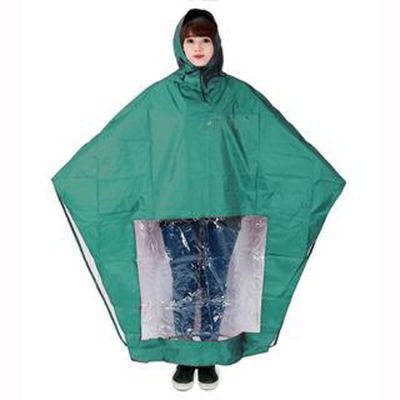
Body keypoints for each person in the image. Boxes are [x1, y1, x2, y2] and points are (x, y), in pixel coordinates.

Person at [158, 11, 238, 391]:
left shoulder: (235, 94)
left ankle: (207, 353)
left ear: (216, 44)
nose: (198, 48)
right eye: (191, 40)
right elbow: (138, 139)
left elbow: (261, 139)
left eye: (205, 40)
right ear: (180, 45)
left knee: (216, 278)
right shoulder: (164, 96)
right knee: (183, 277)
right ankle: (183, 354)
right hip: (177, 206)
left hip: (223, 203)